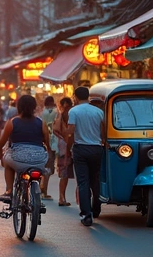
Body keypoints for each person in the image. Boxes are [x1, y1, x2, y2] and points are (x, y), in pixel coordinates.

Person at [0, 95, 51, 200]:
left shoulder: (12, 122)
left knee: (7, 163)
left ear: (18, 107)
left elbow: (1, 142)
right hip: (38, 159)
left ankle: (9, 191)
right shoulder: (41, 123)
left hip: (17, 158)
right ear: (34, 107)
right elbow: (47, 142)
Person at [67, 86, 105, 227]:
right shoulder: (98, 112)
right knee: (95, 180)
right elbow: (103, 132)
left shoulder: (74, 111)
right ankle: (96, 209)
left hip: (80, 149)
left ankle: (86, 215)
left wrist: (68, 148)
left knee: (83, 182)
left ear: (75, 97)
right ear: (88, 96)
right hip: (96, 149)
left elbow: (71, 132)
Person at [53, 96, 74, 207]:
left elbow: (55, 130)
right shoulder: (67, 115)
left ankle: (62, 197)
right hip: (68, 147)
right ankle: (62, 197)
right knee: (65, 175)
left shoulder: (59, 116)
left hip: (64, 147)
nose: (66, 108)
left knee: (64, 175)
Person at [39, 96, 59, 199]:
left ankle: (41, 189)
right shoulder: (55, 112)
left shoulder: (42, 113)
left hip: (44, 141)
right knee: (49, 168)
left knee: (45, 166)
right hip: (52, 141)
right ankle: (43, 191)